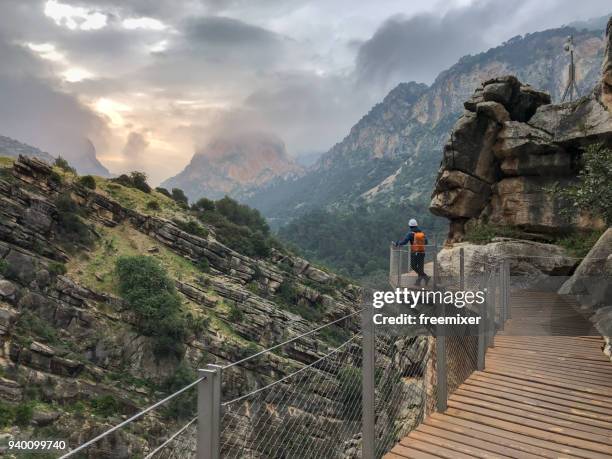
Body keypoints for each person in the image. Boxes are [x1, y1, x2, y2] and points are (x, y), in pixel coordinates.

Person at [395, 219, 431, 286]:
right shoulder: (421, 233)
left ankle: (425, 277)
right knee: (420, 268)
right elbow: (426, 242)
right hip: (422, 252)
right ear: (416, 225)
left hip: (414, 253)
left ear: (410, 226)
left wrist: (398, 243)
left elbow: (404, 242)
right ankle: (419, 282)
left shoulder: (410, 233)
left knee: (413, 266)